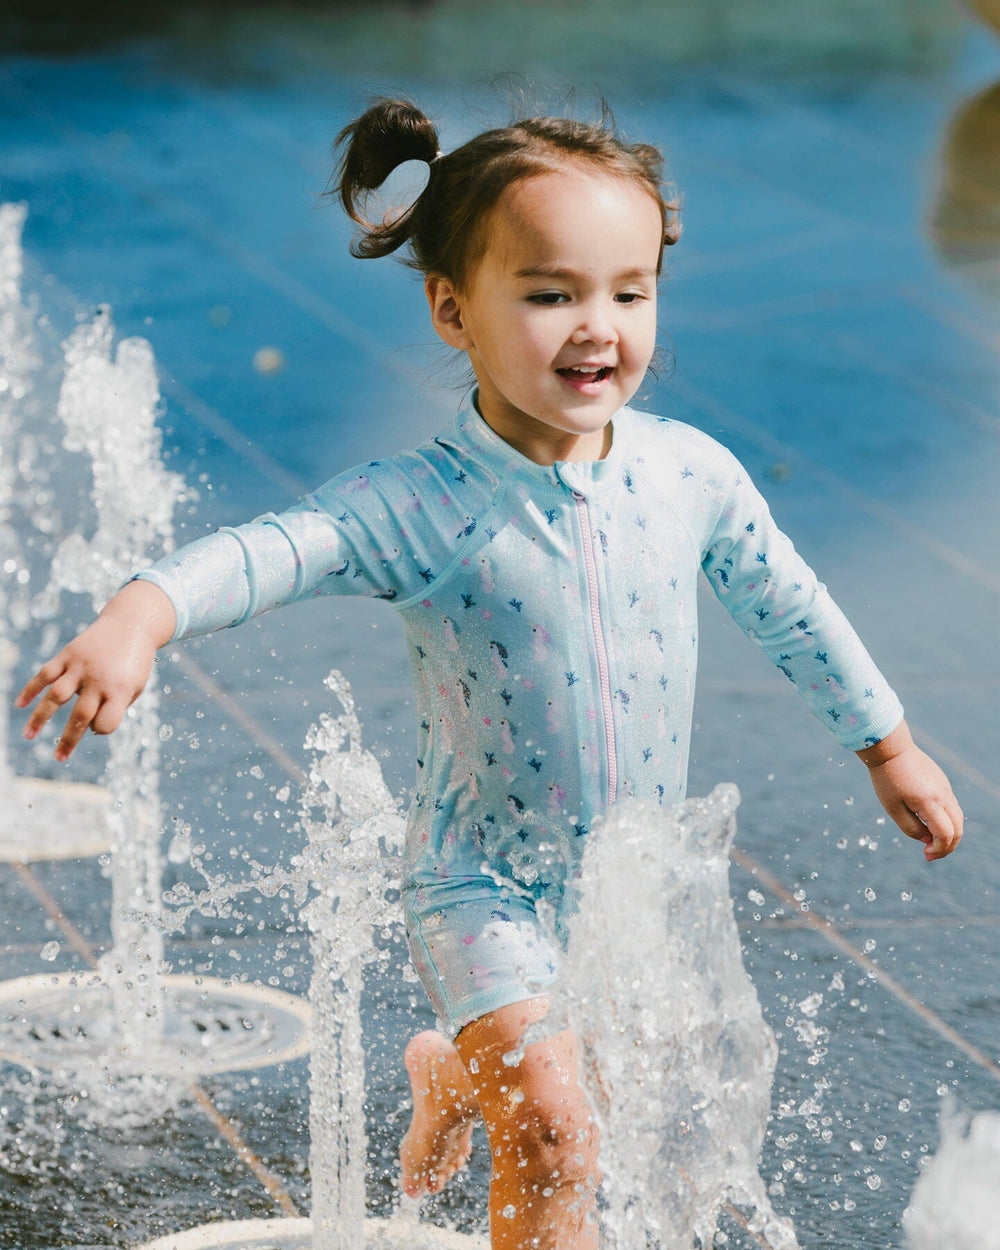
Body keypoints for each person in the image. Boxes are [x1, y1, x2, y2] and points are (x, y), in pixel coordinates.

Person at [16, 98, 964, 1250]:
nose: (597, 326)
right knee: (559, 1136)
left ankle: (453, 1069)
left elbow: (792, 606)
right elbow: (275, 549)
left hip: (629, 883)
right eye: (551, 293)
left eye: (629, 292)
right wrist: (141, 612)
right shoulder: (425, 503)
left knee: (626, 1115)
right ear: (451, 309)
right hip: (478, 884)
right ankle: (491, 1083)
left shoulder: (690, 477)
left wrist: (886, 744)